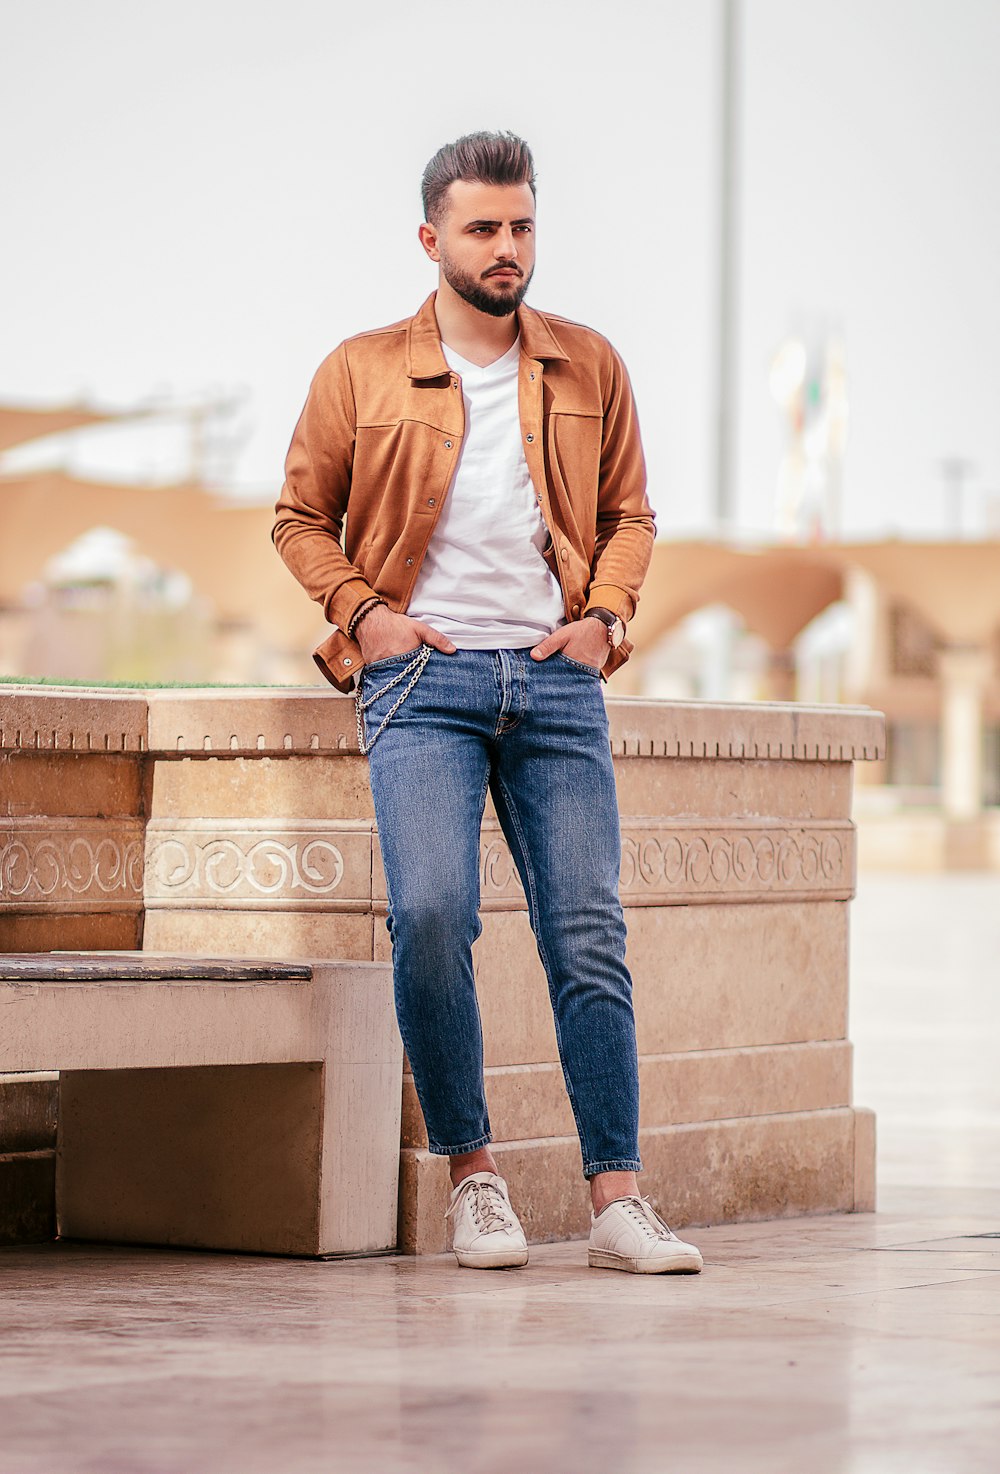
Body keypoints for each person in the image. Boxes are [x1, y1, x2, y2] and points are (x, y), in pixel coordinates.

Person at [273, 131, 702, 1276]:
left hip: (555, 681)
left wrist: (604, 621)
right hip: (422, 680)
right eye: (481, 228)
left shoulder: (587, 363)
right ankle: (476, 1180)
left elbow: (632, 512)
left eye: (519, 226)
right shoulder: (360, 370)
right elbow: (298, 517)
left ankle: (618, 1196)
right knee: (428, 918)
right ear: (431, 239)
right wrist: (365, 613)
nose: (506, 247)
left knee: (586, 935)